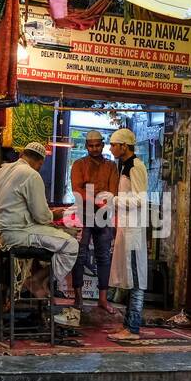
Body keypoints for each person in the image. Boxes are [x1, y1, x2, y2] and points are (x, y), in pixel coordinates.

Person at [0, 141, 79, 319]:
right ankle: (38, 281)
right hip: (20, 233)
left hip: (5, 233)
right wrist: (55, 215)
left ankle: (35, 282)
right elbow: (42, 216)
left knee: (62, 239)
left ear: (23, 155)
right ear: (40, 161)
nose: (39, 168)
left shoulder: (2, 170)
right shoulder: (31, 175)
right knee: (71, 245)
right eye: (40, 165)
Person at [69, 130, 119, 317]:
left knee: (104, 257)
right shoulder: (79, 164)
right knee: (79, 255)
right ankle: (78, 296)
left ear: (103, 144)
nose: (95, 148)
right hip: (84, 213)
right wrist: (97, 200)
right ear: (86, 146)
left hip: (104, 214)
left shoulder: (111, 166)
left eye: (98, 145)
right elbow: (76, 189)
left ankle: (103, 299)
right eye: (91, 146)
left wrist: (103, 201)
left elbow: (113, 191)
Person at [108, 128, 149, 339]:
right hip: (125, 227)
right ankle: (127, 325)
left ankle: (133, 328)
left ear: (124, 146)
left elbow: (141, 199)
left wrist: (114, 201)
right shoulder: (124, 165)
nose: (111, 148)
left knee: (135, 278)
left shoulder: (136, 166)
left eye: (114, 144)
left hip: (134, 230)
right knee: (127, 276)